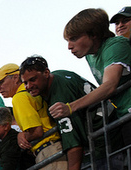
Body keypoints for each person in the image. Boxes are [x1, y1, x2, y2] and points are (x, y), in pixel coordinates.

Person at [54, 8, 131, 144]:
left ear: (94, 34)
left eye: (74, 39)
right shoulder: (89, 55)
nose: (69, 46)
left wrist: (70, 107)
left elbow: (109, 86)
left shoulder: (116, 45)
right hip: (124, 116)